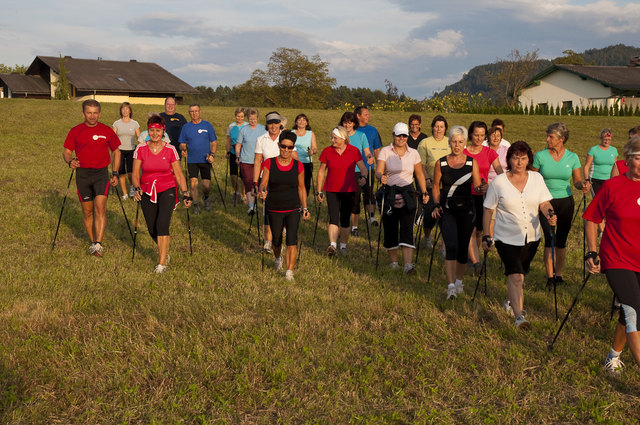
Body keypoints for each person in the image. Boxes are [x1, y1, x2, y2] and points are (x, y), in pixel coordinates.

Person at [482, 141, 556, 329]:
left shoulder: (536, 178)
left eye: (523, 158)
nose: (519, 162)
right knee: (515, 276)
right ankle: (519, 317)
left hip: (531, 237)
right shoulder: (499, 182)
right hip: (505, 238)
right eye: (515, 158)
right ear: (509, 159)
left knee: (519, 276)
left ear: (529, 159)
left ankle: (509, 301)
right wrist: (486, 235)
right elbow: (488, 211)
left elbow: (544, 202)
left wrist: (550, 214)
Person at [584, 136, 640, 374]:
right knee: (633, 310)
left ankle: (613, 356)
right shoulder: (612, 186)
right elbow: (592, 218)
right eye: (638, 158)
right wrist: (592, 251)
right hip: (617, 257)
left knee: (631, 310)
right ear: (628, 159)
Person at [532, 122, 591, 289]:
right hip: (545, 202)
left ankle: (559, 275)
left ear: (562, 139)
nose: (547, 139)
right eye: (548, 136)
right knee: (550, 238)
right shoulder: (540, 156)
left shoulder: (572, 157)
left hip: (566, 201)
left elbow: (577, 181)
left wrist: (583, 185)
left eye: (551, 136)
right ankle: (549, 277)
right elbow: (533, 178)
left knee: (561, 240)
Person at [132, 114, 191, 273]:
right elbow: (135, 173)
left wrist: (185, 193)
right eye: (151, 130)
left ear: (163, 131)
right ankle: (164, 252)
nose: (154, 134)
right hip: (146, 189)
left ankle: (162, 263)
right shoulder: (141, 149)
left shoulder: (170, 149)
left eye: (158, 131)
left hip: (167, 188)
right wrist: (136, 188)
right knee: (152, 229)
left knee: (162, 224)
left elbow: (178, 174)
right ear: (148, 131)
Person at [62, 99, 121, 256]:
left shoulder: (107, 131)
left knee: (100, 208)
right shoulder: (75, 131)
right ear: (83, 113)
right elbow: (67, 151)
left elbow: (117, 151)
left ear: (100, 113)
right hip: (83, 175)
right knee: (87, 212)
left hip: (101, 174)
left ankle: (98, 245)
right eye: (89, 113)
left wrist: (115, 172)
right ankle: (93, 241)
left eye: (95, 113)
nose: (92, 116)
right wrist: (70, 161)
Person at [431, 125, 481, 299]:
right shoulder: (441, 163)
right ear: (449, 142)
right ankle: (451, 285)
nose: (457, 145)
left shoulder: (471, 162)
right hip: (448, 210)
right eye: (454, 141)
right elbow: (436, 186)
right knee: (451, 245)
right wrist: (436, 204)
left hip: (467, 210)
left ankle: (459, 280)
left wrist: (483, 187)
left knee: (462, 249)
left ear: (465, 143)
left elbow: (476, 187)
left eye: (460, 142)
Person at [376, 123, 429, 273]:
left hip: (408, 193)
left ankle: (408, 265)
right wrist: (381, 177)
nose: (401, 138)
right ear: (393, 135)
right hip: (390, 192)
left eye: (404, 135)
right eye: (398, 135)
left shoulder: (413, 153)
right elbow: (379, 170)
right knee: (390, 226)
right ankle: (394, 263)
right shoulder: (385, 151)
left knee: (407, 227)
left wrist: (424, 192)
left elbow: (419, 174)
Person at [258, 130, 311, 281]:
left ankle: (289, 271)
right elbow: (263, 183)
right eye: (283, 146)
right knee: (276, 241)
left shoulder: (298, 166)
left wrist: (305, 208)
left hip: (293, 207)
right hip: (274, 207)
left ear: (293, 147)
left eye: (289, 147)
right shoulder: (269, 163)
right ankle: (277, 258)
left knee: (292, 240)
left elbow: (301, 188)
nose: (286, 150)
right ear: (279, 145)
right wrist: (262, 191)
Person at [316, 126, 368, 256]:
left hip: (348, 189)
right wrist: (318, 190)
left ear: (343, 139)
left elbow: (363, 167)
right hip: (331, 189)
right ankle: (332, 245)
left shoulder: (354, 151)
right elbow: (322, 171)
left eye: (335, 138)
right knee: (333, 217)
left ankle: (343, 246)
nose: (332, 140)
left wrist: (364, 177)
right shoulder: (327, 151)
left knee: (345, 219)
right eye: (332, 137)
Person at [464, 121, 504, 273]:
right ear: (470, 135)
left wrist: (491, 187)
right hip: (466, 195)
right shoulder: (464, 152)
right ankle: (475, 262)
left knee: (480, 230)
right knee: (471, 230)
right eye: (476, 135)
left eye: (482, 135)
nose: (479, 138)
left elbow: (501, 174)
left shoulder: (490, 153)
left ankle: (473, 255)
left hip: (484, 196)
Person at [254, 111, 289, 253]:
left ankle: (279, 237)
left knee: (282, 209)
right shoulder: (261, 139)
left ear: (280, 124)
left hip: (285, 179)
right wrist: (255, 182)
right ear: (267, 125)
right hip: (267, 178)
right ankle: (268, 241)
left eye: (276, 123)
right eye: (270, 123)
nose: (273, 126)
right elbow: (257, 161)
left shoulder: (285, 138)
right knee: (268, 210)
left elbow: (293, 158)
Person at [338, 112, 374, 236]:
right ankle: (343, 222)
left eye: (350, 122)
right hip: (341, 171)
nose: (347, 125)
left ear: (354, 123)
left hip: (357, 171)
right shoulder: (339, 136)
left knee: (355, 199)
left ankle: (355, 226)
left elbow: (367, 151)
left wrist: (370, 157)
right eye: (345, 122)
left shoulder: (361, 135)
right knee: (342, 198)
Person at [417, 115, 450, 249]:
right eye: (436, 126)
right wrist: (426, 179)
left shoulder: (450, 142)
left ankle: (443, 246)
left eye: (441, 127)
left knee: (446, 217)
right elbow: (420, 165)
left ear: (445, 128)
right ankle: (427, 236)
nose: (439, 129)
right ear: (432, 127)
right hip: (431, 185)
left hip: (447, 186)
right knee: (431, 216)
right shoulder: (425, 143)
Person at [178, 104, 217, 214]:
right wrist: (183, 148)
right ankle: (195, 205)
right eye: (191, 111)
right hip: (192, 160)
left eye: (196, 111)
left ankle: (206, 197)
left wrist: (212, 155)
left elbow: (214, 142)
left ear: (200, 111)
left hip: (205, 159)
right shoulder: (186, 127)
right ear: (189, 113)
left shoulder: (207, 125)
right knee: (193, 183)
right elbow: (181, 143)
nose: (194, 113)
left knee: (206, 186)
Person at [235, 108, 265, 214]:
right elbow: (238, 145)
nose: (252, 121)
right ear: (248, 119)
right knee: (248, 182)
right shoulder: (243, 130)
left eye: (254, 119)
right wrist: (238, 156)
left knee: (257, 182)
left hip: (260, 161)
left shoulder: (263, 129)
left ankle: (258, 201)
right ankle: (251, 206)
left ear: (257, 118)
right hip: (246, 160)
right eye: (250, 119)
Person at [355, 106, 381, 226]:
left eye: (368, 114)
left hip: (368, 168)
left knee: (369, 193)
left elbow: (376, 150)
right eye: (365, 114)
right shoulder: (351, 130)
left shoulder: (373, 130)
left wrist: (380, 166)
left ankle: (371, 217)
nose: (368, 116)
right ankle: (353, 218)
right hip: (353, 169)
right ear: (358, 116)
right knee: (354, 195)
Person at [112, 102, 140, 200]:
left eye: (127, 109)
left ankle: (132, 188)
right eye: (123, 109)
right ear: (121, 111)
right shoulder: (116, 123)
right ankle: (125, 194)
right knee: (121, 173)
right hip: (119, 151)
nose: (125, 111)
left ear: (130, 111)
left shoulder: (135, 123)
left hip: (131, 150)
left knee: (131, 173)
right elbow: (112, 137)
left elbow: (139, 137)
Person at [584, 128, 618, 193]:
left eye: (609, 140)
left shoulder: (614, 150)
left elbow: (616, 167)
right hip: (595, 180)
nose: (607, 141)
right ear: (601, 138)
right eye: (605, 139)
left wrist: (616, 180)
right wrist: (587, 180)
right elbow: (586, 166)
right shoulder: (593, 150)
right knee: (597, 200)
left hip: (609, 180)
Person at [292, 113, 317, 197]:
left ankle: (303, 204)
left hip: (306, 162)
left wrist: (312, 151)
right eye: (299, 120)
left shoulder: (310, 134)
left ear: (307, 123)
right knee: (294, 184)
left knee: (305, 184)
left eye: (304, 120)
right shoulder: (292, 133)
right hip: (293, 162)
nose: (301, 122)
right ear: (296, 122)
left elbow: (315, 148)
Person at [226, 107, 248, 203]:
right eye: (238, 116)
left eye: (242, 117)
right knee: (233, 174)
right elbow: (228, 140)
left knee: (243, 174)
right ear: (235, 116)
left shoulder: (247, 125)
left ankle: (244, 194)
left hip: (244, 152)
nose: (240, 118)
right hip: (233, 151)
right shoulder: (231, 126)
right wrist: (227, 151)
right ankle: (236, 192)